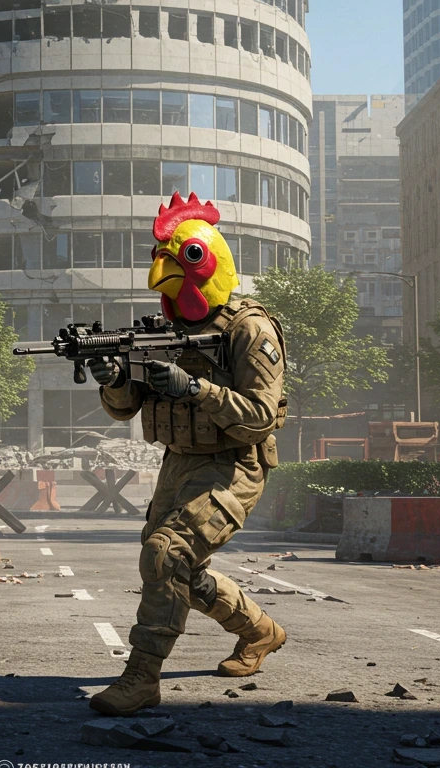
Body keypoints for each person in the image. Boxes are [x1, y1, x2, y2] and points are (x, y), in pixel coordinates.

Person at [87, 192, 289, 717]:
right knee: (177, 568)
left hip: (234, 463)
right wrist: (113, 379)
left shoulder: (250, 329)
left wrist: (194, 388)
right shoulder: (166, 331)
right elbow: (123, 409)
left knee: (165, 555)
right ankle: (260, 631)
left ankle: (141, 679)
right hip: (178, 462)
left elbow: (261, 416)